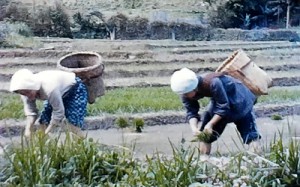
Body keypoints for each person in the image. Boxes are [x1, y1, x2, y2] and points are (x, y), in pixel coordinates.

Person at [170, 68, 261, 155]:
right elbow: (191, 111)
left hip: (240, 98)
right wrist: (194, 128)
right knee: (205, 135)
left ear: (194, 88)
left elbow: (223, 107)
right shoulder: (186, 92)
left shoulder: (213, 82)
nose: (184, 96)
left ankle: (257, 158)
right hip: (222, 100)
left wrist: (211, 124)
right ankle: (204, 159)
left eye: (186, 93)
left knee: (248, 130)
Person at [9, 69, 88, 138]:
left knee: (72, 124)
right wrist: (28, 129)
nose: (28, 96)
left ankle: (83, 146)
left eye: (28, 92)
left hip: (74, 89)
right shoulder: (25, 93)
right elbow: (31, 112)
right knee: (44, 121)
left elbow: (59, 112)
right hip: (57, 93)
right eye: (24, 93)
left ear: (33, 86)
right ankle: (44, 148)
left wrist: (48, 131)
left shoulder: (49, 88)